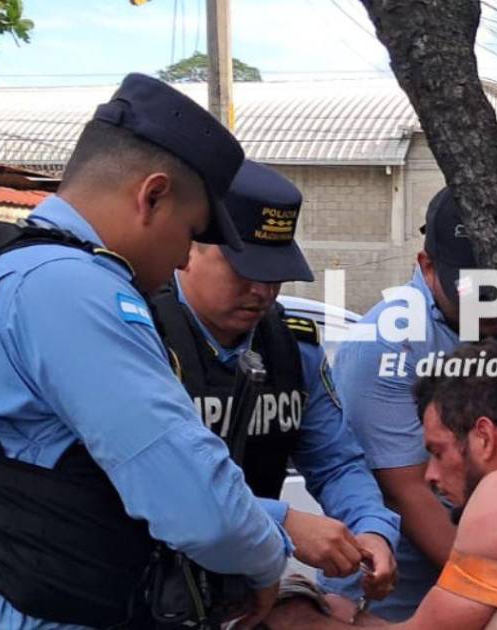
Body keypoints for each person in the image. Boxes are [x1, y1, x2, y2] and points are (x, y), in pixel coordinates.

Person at [0, 73, 289, 628]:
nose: (184, 259)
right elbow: (200, 508)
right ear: (152, 196)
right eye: (191, 232)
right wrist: (265, 561)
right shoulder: (74, 288)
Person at [148, 159, 400, 602]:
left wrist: (371, 528)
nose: (263, 291)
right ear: (190, 250)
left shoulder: (292, 347)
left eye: (275, 273)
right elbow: (145, 484)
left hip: (242, 588)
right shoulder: (140, 339)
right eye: (244, 270)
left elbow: (335, 462)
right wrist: (280, 521)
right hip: (141, 587)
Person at [267, 342, 497, 630]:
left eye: (438, 452)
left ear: (483, 437)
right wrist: (353, 616)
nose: (431, 475)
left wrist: (300, 615)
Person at [323, 188, 497, 620]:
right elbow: (410, 491)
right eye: (472, 292)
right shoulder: (388, 343)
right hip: (394, 597)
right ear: (427, 266)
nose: (492, 307)